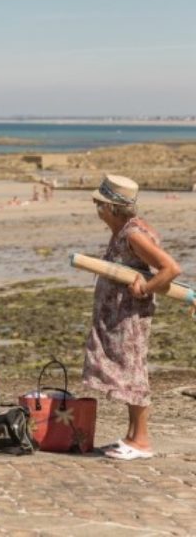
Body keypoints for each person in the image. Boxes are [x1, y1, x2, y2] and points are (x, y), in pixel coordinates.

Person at [85, 175, 182, 461]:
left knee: (133, 372)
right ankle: (131, 437)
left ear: (114, 208)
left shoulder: (133, 234)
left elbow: (170, 268)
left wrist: (145, 288)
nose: (97, 209)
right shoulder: (122, 231)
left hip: (129, 317)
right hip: (117, 316)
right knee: (126, 371)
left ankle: (141, 441)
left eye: (100, 205)